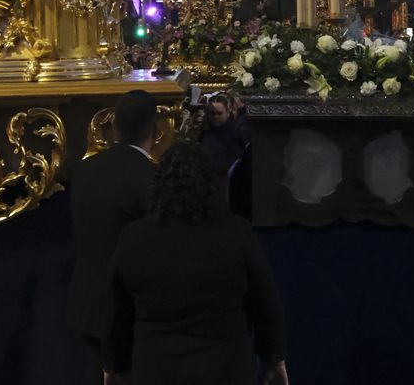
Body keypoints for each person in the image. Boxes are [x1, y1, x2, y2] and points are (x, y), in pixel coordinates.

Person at [105, 142, 288, 385]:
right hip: (226, 367)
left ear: (159, 185)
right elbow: (265, 305)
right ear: (211, 185)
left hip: (157, 368)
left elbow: (118, 312)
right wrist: (273, 360)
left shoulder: (134, 238)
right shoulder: (238, 234)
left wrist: (114, 365)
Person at [68, 90, 161, 382]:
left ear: (114, 126)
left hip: (87, 306)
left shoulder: (84, 169)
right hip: (131, 314)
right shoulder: (152, 177)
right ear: (155, 130)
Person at [199, 93, 250, 184]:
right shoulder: (202, 133)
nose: (215, 117)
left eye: (219, 113)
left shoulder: (239, 132)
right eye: (212, 113)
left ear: (228, 111)